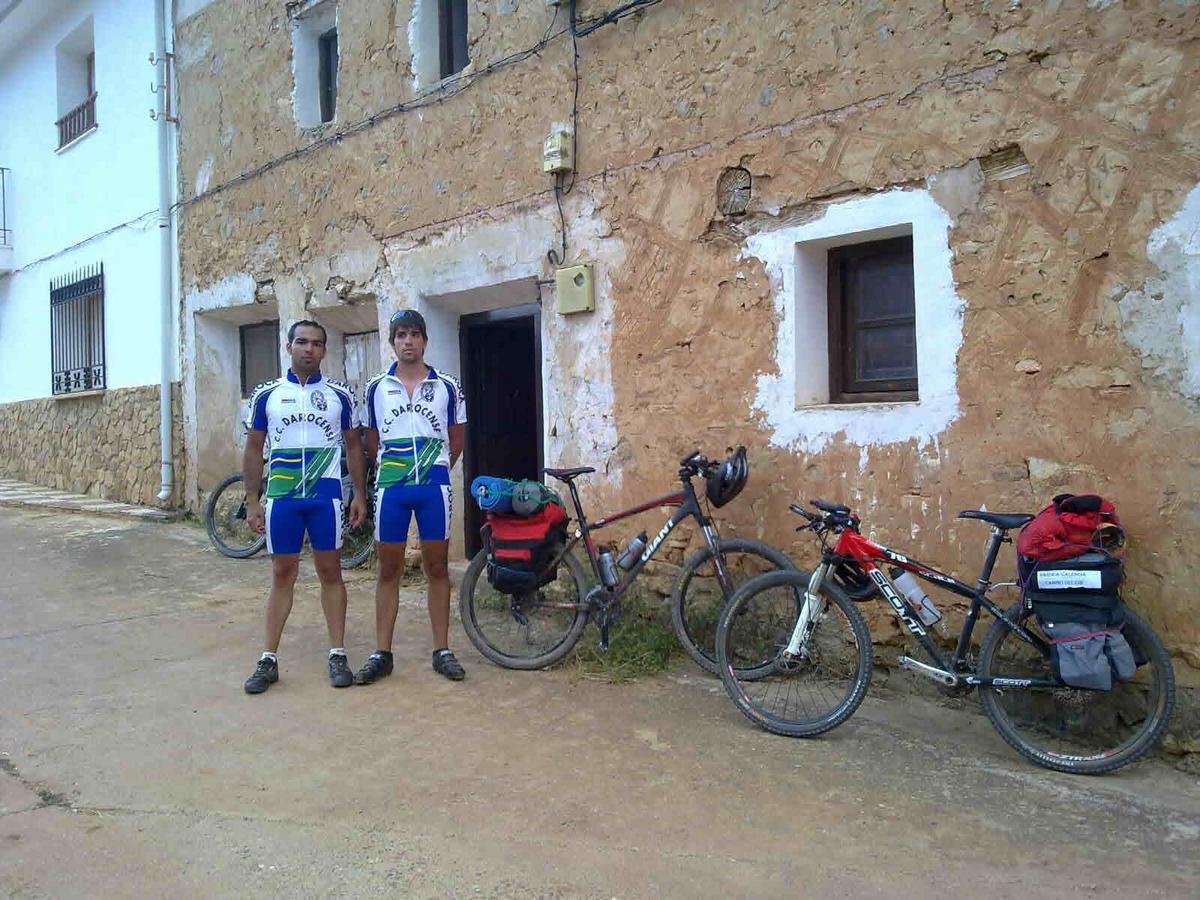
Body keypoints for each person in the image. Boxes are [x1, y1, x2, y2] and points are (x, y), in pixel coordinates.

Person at [241, 320, 367, 694]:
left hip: (325, 496)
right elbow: (253, 449)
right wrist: (252, 500)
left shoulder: (340, 395)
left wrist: (360, 495)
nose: (308, 348)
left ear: (324, 350)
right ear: (289, 346)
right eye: (301, 342)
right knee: (283, 573)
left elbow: (354, 447)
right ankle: (268, 659)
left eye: (316, 343)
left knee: (331, 571)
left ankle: (338, 653)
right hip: (283, 496)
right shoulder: (266, 394)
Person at [354, 309, 467, 684]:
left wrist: (433, 469)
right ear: (392, 342)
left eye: (414, 334)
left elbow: (456, 440)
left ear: (424, 340)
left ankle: (442, 650)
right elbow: (372, 442)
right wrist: (396, 469)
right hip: (392, 487)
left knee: (437, 568)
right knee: (389, 569)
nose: (408, 341)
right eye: (401, 335)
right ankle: (382, 653)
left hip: (434, 487)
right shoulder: (376, 388)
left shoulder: (447, 386)